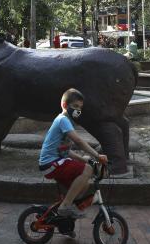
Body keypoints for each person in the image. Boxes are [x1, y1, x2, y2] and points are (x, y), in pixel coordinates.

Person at [38, 88, 107, 219]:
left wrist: (85, 159)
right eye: (75, 106)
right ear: (64, 105)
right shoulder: (63, 120)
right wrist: (97, 156)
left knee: (85, 182)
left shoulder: (66, 122)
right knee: (87, 169)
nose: (78, 110)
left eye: (80, 107)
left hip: (55, 162)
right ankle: (65, 206)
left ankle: (65, 218)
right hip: (50, 163)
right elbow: (79, 141)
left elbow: (65, 151)